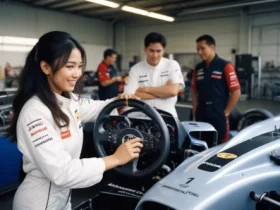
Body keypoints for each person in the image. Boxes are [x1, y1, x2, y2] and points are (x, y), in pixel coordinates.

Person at [6, 31, 142, 210]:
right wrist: (115, 159)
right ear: (46, 67)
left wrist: (122, 100)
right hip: (38, 203)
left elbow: (97, 108)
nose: (77, 73)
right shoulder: (35, 112)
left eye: (79, 66)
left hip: (63, 200)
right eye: (70, 66)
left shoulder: (69, 100)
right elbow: (62, 172)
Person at [191, 34, 241, 146]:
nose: (199, 52)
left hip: (218, 114)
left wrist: (226, 112)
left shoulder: (225, 66)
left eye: (202, 48)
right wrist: (195, 109)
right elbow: (194, 90)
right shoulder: (198, 68)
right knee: (201, 144)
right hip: (201, 114)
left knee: (221, 146)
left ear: (212, 47)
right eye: (198, 49)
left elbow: (236, 91)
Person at [123, 32, 185, 118]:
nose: (155, 55)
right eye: (151, 51)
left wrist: (146, 89)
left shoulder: (172, 65)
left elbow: (173, 91)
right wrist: (163, 91)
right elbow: (130, 95)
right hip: (141, 117)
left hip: (167, 117)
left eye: (158, 51)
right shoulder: (135, 69)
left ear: (164, 49)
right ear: (145, 49)